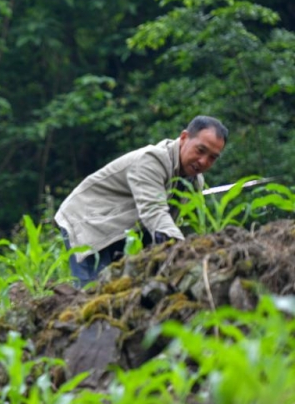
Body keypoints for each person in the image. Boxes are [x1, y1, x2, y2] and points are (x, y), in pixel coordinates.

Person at [54, 115, 228, 287]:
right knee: (94, 295)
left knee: (126, 292)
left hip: (125, 229)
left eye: (212, 157)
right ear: (184, 138)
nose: (204, 161)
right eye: (200, 150)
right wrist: (184, 252)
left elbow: (185, 224)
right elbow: (154, 212)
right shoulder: (151, 161)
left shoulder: (195, 180)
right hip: (89, 221)